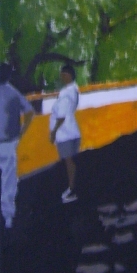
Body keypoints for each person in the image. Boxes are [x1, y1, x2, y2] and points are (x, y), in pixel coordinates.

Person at [0, 64, 34, 229]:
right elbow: (30, 112)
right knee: (8, 181)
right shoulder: (12, 92)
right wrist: (22, 132)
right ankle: (7, 216)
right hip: (9, 143)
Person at [49, 64, 81, 203]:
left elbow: (61, 116)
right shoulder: (74, 90)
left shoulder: (65, 93)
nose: (61, 77)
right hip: (72, 131)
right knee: (71, 162)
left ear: (68, 75)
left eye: (63, 75)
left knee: (68, 163)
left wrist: (53, 132)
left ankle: (71, 190)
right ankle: (72, 189)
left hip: (65, 133)